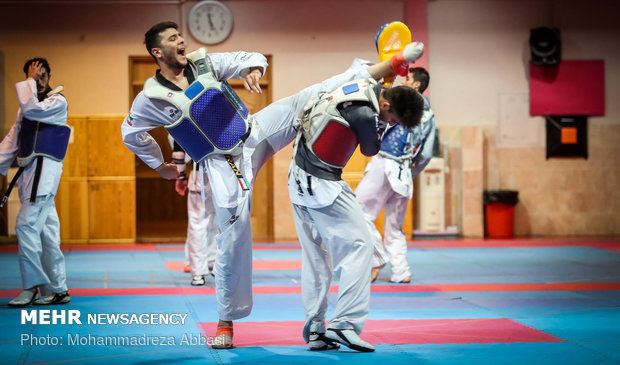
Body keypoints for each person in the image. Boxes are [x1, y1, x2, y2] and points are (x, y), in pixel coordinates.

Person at [121, 20, 424, 349]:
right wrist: (160, 165)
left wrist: (253, 68)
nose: (181, 41)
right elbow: (130, 133)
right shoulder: (150, 98)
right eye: (172, 39)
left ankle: (392, 64)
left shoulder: (204, 62)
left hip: (252, 133)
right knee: (233, 240)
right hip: (222, 165)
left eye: (180, 36)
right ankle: (225, 323)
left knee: (312, 94)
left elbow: (252, 57)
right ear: (157, 52)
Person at [287, 53, 426, 351]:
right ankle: (345, 323)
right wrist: (383, 125)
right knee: (361, 247)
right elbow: (369, 149)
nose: (392, 124)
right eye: (394, 120)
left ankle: (315, 328)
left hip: (298, 178)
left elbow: (370, 77)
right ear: (387, 105)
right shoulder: (366, 115)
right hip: (322, 183)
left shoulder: (363, 84)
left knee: (315, 256)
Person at [0, 58, 71, 307]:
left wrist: (29, 82)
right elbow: (12, 140)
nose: (39, 81)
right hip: (30, 175)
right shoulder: (25, 109)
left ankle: (31, 287)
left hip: (45, 175)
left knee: (25, 226)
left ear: (49, 77)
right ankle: (58, 289)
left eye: (42, 76)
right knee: (47, 233)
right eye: (33, 76)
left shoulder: (57, 102)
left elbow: (33, 110)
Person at [355, 67, 435, 284]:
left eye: (408, 78)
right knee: (395, 227)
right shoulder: (429, 115)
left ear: (416, 85)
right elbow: (427, 153)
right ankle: (401, 272)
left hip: (385, 162)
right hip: (404, 173)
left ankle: (377, 257)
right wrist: (412, 171)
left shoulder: (401, 104)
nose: (405, 80)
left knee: (356, 212)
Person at [170, 139, 217, 286]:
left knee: (197, 224)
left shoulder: (188, 117)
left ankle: (198, 273)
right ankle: (221, 266)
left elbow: (179, 148)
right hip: (225, 174)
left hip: (200, 175)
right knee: (226, 224)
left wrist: (181, 176)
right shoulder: (228, 117)